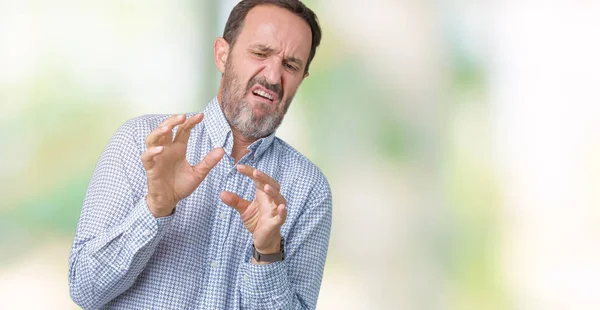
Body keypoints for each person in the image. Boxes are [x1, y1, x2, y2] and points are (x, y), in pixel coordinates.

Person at [68, 0, 332, 309]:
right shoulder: (142, 143)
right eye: (260, 53)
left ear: (301, 78)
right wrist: (155, 208)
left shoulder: (309, 189)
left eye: (291, 65)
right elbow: (84, 289)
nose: (274, 76)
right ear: (223, 55)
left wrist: (268, 253)